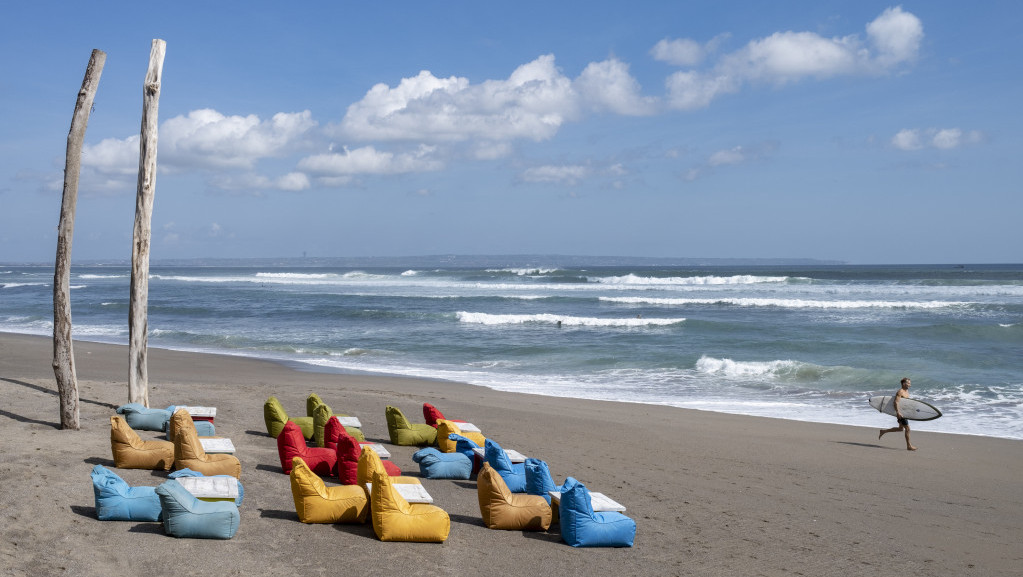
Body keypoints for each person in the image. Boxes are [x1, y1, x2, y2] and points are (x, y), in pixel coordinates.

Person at [879, 377, 917, 451]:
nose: (910, 385)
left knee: (900, 429)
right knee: (907, 429)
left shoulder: (906, 392)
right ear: (903, 383)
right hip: (900, 413)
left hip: (904, 413)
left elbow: (905, 403)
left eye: (910, 383)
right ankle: (909, 446)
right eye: (908, 383)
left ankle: (883, 431)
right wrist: (898, 412)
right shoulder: (900, 392)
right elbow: (896, 402)